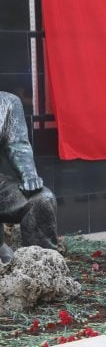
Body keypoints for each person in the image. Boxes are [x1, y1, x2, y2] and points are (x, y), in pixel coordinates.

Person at [0, 91, 58, 263]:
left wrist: (29, 174)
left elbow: (17, 144)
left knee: (42, 200)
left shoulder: (8, 102)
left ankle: (41, 269)